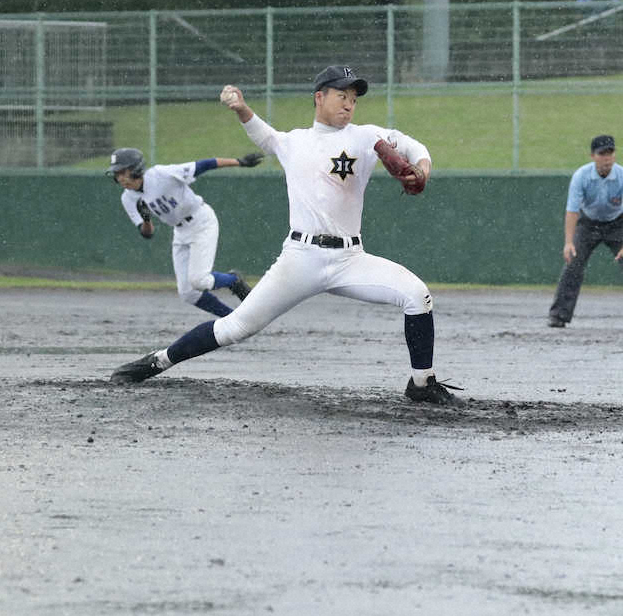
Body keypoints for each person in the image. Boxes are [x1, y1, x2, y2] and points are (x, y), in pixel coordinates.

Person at [110, 65, 460, 406]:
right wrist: (242, 108)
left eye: (354, 97)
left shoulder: (366, 136)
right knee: (236, 327)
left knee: (417, 295)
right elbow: (262, 135)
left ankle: (421, 383)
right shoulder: (294, 142)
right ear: (319, 98)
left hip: (350, 259)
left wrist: (422, 169)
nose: (349, 103)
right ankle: (158, 361)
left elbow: (415, 147)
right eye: (342, 95)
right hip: (300, 258)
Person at [106, 147, 262, 317]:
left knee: (199, 280)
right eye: (117, 173)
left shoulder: (160, 175)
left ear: (136, 169)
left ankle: (233, 280)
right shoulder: (127, 198)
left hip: (201, 221)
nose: (120, 177)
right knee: (188, 293)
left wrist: (239, 162)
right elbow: (147, 233)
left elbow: (203, 165)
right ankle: (231, 319)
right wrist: (146, 219)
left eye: (123, 172)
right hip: (180, 232)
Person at [547, 134, 623, 329]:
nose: (606, 158)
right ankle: (558, 315)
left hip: (617, 224)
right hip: (588, 224)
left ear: (614, 155)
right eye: (601, 154)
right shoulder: (581, 176)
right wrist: (569, 242)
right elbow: (572, 210)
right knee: (573, 264)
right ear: (592, 156)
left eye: (610, 153)